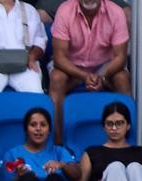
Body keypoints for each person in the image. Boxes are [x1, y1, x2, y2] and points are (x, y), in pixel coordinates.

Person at [48, 0, 130, 139]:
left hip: (105, 67)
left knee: (122, 78)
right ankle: (58, 143)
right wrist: (84, 76)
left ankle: (125, 142)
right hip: (71, 67)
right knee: (57, 78)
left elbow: (120, 58)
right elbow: (59, 59)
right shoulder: (65, 10)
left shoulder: (116, 12)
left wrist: (101, 75)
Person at [0, 107, 80, 181]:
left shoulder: (59, 151)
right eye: (33, 125)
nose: (38, 129)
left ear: (49, 130)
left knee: (54, 179)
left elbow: (77, 174)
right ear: (26, 130)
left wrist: (62, 165)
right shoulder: (12, 154)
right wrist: (19, 177)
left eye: (43, 125)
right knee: (28, 178)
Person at [76, 101, 142, 181]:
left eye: (119, 123)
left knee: (135, 168)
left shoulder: (139, 152)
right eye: (109, 124)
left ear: (128, 126)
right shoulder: (91, 152)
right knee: (115, 168)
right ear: (104, 127)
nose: (114, 128)